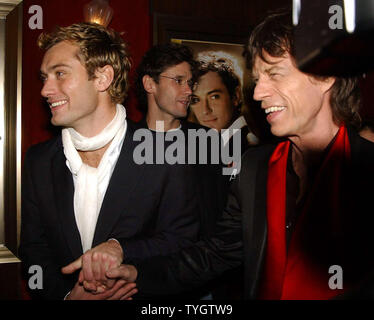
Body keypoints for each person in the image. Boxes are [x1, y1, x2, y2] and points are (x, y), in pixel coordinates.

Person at [110, 11, 374, 300]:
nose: (259, 93)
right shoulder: (256, 169)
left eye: (274, 74)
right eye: (258, 78)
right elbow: (215, 253)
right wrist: (138, 274)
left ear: (325, 75)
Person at [19, 23, 200, 300]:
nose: (45, 90)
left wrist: (121, 248)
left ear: (102, 78)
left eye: (60, 74)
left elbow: (183, 243)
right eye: (45, 77)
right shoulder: (38, 161)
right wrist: (66, 297)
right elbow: (34, 251)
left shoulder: (164, 152)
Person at [189, 51, 259, 153]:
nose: (205, 110)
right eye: (195, 100)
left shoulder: (250, 147)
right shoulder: (213, 145)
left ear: (236, 96)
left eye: (214, 97)